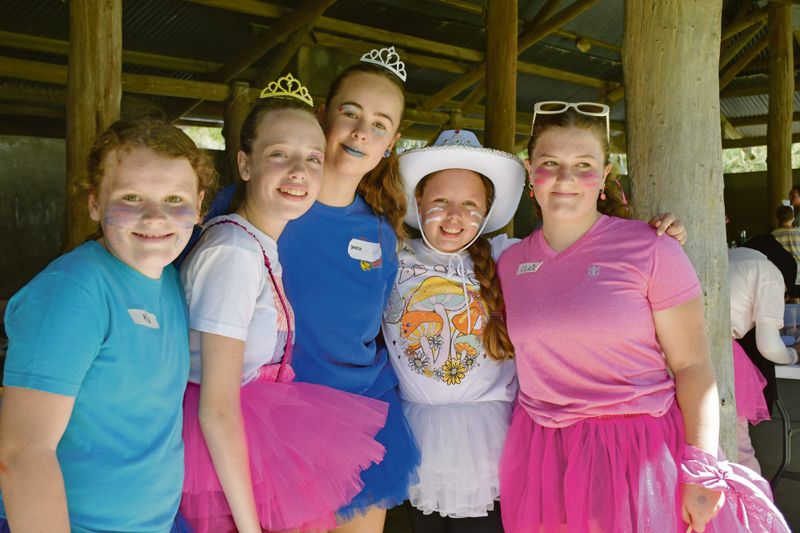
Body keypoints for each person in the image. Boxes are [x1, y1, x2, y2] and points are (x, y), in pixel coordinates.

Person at [497, 101, 787, 533]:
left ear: (605, 174)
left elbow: (693, 366)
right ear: (529, 170)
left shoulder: (652, 248)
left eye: (583, 165)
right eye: (550, 163)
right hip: (543, 451)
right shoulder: (510, 261)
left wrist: (702, 466)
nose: (565, 178)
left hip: (636, 452)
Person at [178, 74, 389, 533]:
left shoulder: (260, 243)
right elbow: (216, 408)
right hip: (220, 451)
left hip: (255, 434)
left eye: (312, 158)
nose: (299, 172)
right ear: (246, 164)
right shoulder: (232, 253)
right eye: (279, 155)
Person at [0, 119, 212, 532]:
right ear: (95, 203)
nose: (155, 217)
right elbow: (24, 452)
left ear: (199, 205)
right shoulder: (73, 292)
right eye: (131, 197)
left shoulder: (167, 275)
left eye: (174, 199)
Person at [382, 129, 525, 532]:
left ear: (487, 209)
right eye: (440, 202)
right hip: (419, 435)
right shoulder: (393, 255)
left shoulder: (506, 256)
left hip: (489, 440)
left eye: (469, 204)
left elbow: (573, 253)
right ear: (418, 201)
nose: (454, 216)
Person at [729, 236, 800, 474]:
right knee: (739, 450)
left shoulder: (730, 257)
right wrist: (794, 354)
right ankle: (752, 508)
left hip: (675, 352)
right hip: (721, 353)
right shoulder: (769, 273)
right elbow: (769, 346)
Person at [771, 205, 800, 282]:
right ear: (793, 218)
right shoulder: (799, 233)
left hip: (782, 276)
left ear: (777, 218)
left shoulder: (773, 235)